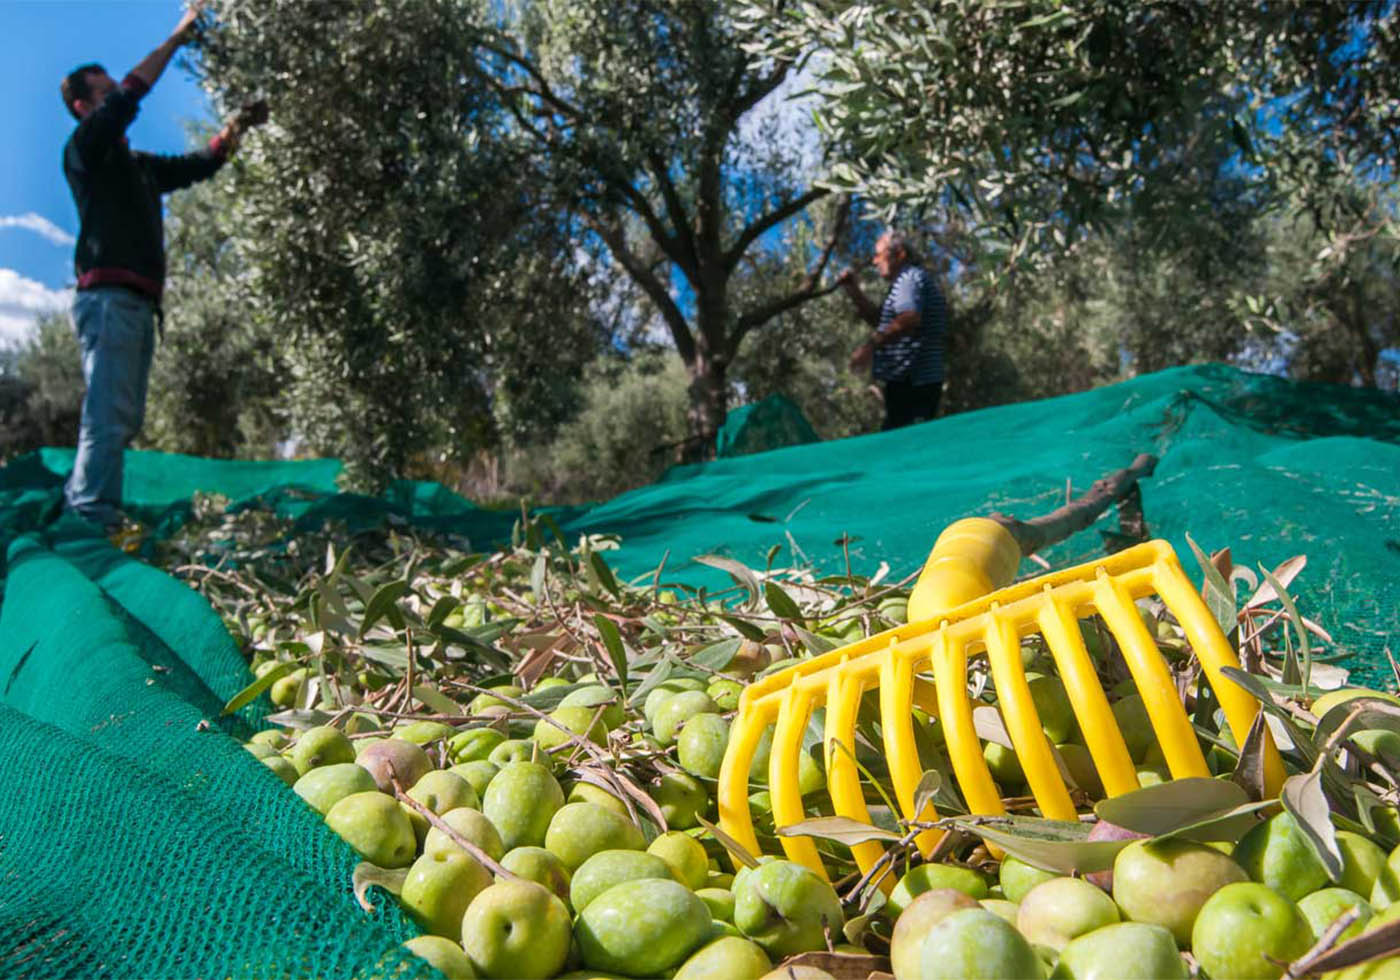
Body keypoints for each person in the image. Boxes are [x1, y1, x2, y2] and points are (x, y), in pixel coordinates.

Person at [59, 3, 266, 531]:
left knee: (122, 418)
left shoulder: (138, 169)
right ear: (84, 107)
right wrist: (176, 38)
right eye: (104, 94)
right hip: (108, 303)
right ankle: (87, 518)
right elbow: (131, 95)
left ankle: (95, 509)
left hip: (136, 305)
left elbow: (202, 164)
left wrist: (235, 128)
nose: (117, 99)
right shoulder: (86, 150)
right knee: (107, 416)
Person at [837, 230, 947, 431]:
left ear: (900, 254)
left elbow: (909, 319)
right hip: (912, 383)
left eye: (879, 254)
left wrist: (870, 347)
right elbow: (881, 321)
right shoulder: (905, 282)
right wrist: (853, 290)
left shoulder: (908, 279)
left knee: (904, 446)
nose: (874, 261)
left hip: (914, 384)